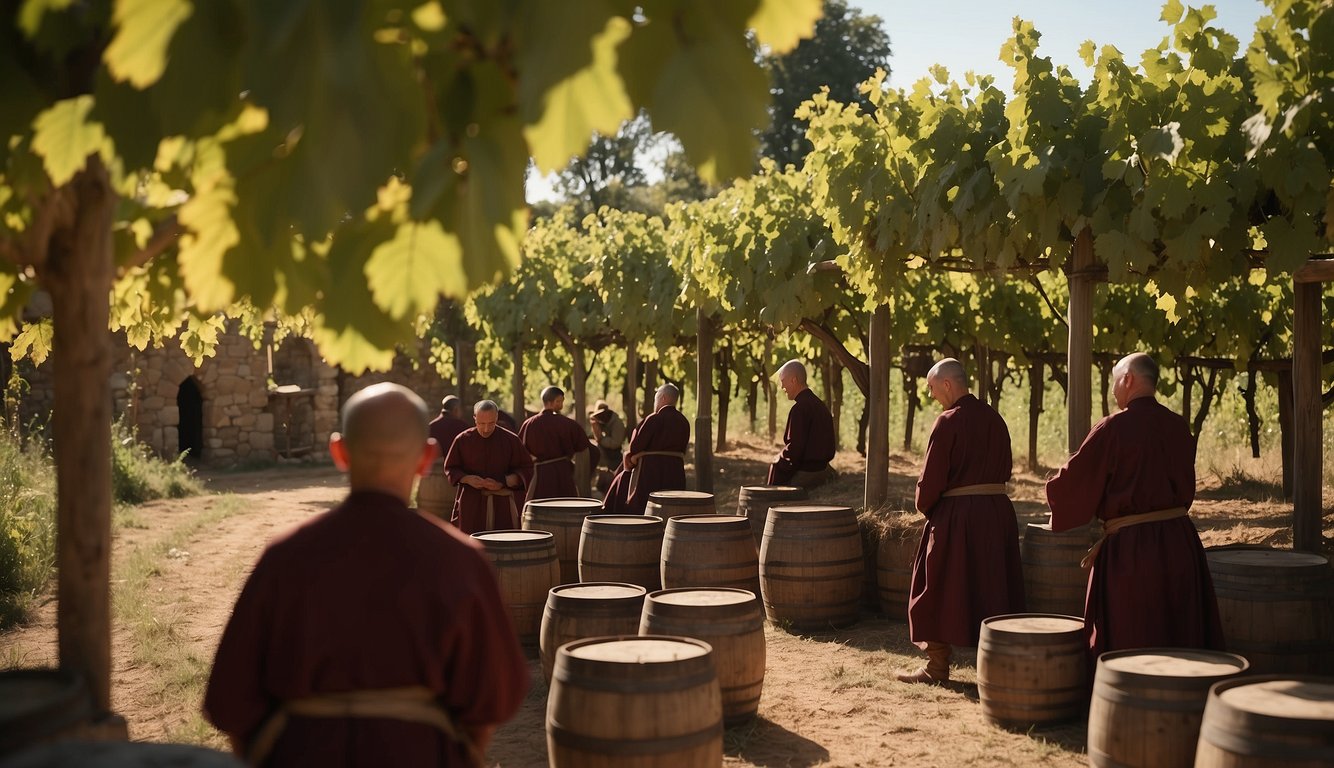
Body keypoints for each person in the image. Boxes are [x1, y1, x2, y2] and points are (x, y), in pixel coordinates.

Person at [203, 383, 529, 767]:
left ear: (338, 452)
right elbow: (494, 701)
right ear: (426, 459)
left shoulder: (284, 558)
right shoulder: (461, 562)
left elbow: (230, 705)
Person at [1046, 352, 1223, 665]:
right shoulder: (1178, 426)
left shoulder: (1113, 428)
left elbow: (1075, 481)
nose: (1114, 390)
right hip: (1181, 545)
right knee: (1177, 625)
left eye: (1115, 381)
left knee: (1133, 631)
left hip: (1131, 552)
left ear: (1128, 379)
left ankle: (1130, 705)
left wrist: (1055, 493)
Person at [896, 359, 1025, 684]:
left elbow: (931, 479)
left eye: (932, 387)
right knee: (993, 585)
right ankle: (996, 667)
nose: (931, 394)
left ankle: (937, 666)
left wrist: (927, 506)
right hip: (997, 515)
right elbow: (1006, 467)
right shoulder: (995, 419)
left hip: (959, 516)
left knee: (933, 584)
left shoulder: (948, 422)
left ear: (949, 385)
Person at [444, 400, 534, 534]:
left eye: (491, 423)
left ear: (497, 418)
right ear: (474, 419)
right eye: (481, 423)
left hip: (502, 504)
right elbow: (451, 468)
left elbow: (526, 468)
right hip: (471, 504)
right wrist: (466, 479)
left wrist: (505, 481)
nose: (486, 429)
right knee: (471, 545)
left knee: (503, 545)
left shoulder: (511, 440)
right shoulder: (462, 440)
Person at [602, 384, 690, 515]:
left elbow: (635, 446)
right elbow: (683, 449)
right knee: (671, 509)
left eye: (656, 399)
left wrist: (633, 456)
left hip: (651, 471)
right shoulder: (684, 421)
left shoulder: (654, 418)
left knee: (641, 505)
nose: (655, 403)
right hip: (675, 471)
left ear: (663, 398)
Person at [518, 386, 599, 500]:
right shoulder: (567, 424)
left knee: (540, 507)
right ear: (552, 402)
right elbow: (590, 449)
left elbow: (520, 451)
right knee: (565, 505)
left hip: (540, 475)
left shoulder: (529, 424)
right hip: (563, 473)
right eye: (559, 401)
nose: (561, 405)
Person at [767, 360, 836, 488]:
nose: (782, 387)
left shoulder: (800, 409)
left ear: (793, 380)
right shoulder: (820, 405)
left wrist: (778, 459)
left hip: (808, 472)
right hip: (823, 468)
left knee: (775, 468)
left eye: (783, 381)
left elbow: (794, 451)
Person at [418, 395, 469, 519]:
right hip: (454, 487)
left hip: (429, 488)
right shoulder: (463, 428)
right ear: (456, 409)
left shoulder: (429, 427)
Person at [588, 400, 626, 494]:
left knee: (614, 483)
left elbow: (615, 443)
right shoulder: (601, 423)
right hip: (605, 461)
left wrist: (601, 439)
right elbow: (598, 437)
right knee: (602, 485)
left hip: (614, 458)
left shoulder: (617, 423)